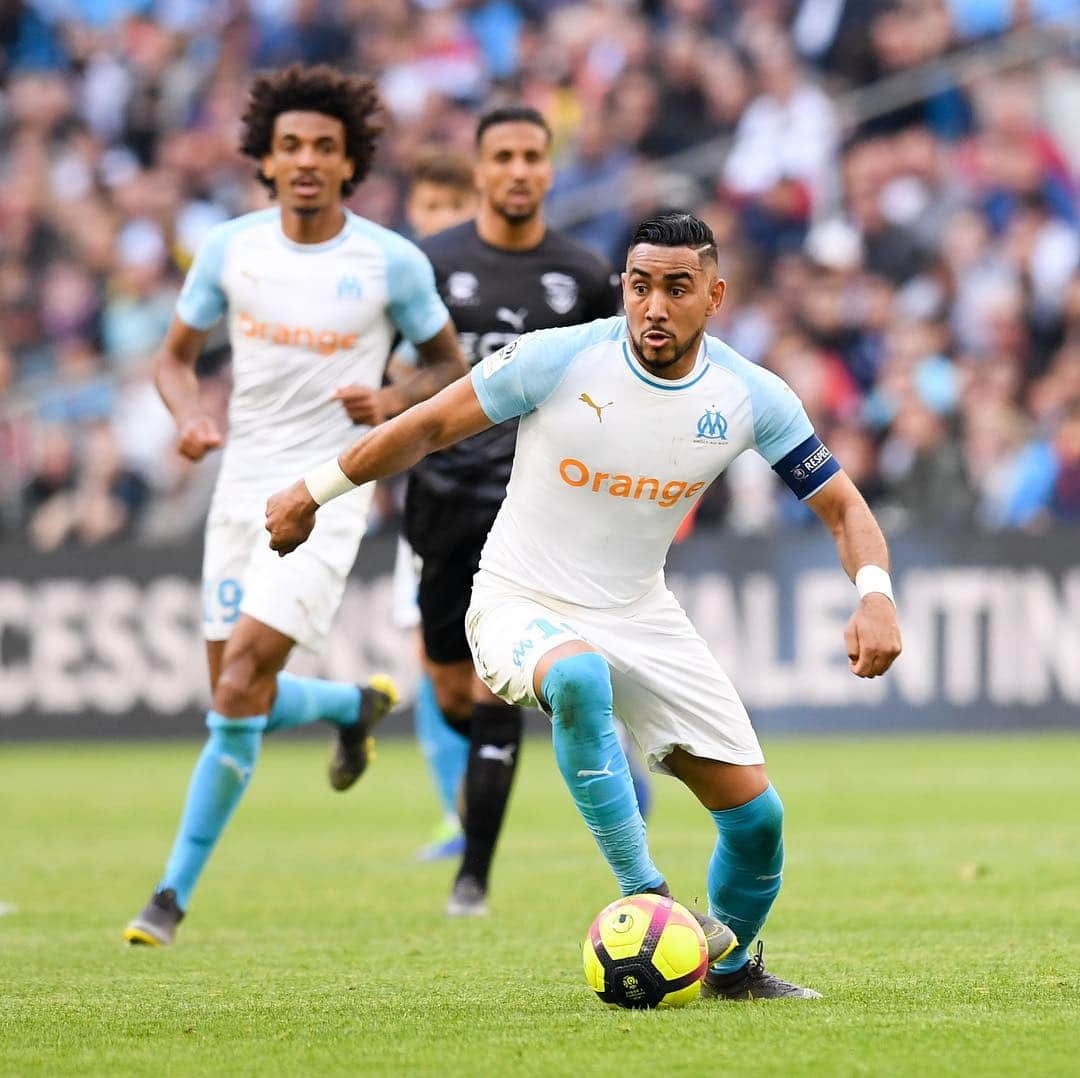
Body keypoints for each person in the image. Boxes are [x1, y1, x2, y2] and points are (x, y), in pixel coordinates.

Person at [266, 211, 903, 998]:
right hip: (517, 598)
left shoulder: (750, 396)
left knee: (756, 822)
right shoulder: (559, 359)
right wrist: (314, 489)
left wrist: (874, 596)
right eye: (640, 287)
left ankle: (732, 972)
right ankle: (648, 894)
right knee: (577, 678)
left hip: (640, 612)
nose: (654, 307)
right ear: (622, 289)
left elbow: (845, 509)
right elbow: (428, 425)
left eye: (677, 289)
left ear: (716, 295)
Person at [123, 65, 468, 947]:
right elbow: (173, 357)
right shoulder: (231, 250)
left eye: (324, 146)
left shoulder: (391, 260)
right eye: (291, 147)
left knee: (239, 684)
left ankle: (168, 897)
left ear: (350, 162)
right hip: (238, 490)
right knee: (232, 700)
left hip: (328, 490)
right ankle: (352, 706)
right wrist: (190, 413)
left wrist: (391, 403)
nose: (307, 160)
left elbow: (449, 368)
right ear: (265, 162)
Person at [401, 105, 626, 915]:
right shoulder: (431, 263)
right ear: (482, 169)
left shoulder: (587, 275)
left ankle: (473, 881)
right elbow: (401, 373)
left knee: (497, 696)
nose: (521, 169)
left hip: (530, 506)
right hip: (437, 499)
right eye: (505, 156)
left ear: (550, 168)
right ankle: (578, 748)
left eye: (534, 155)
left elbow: (613, 390)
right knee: (452, 693)